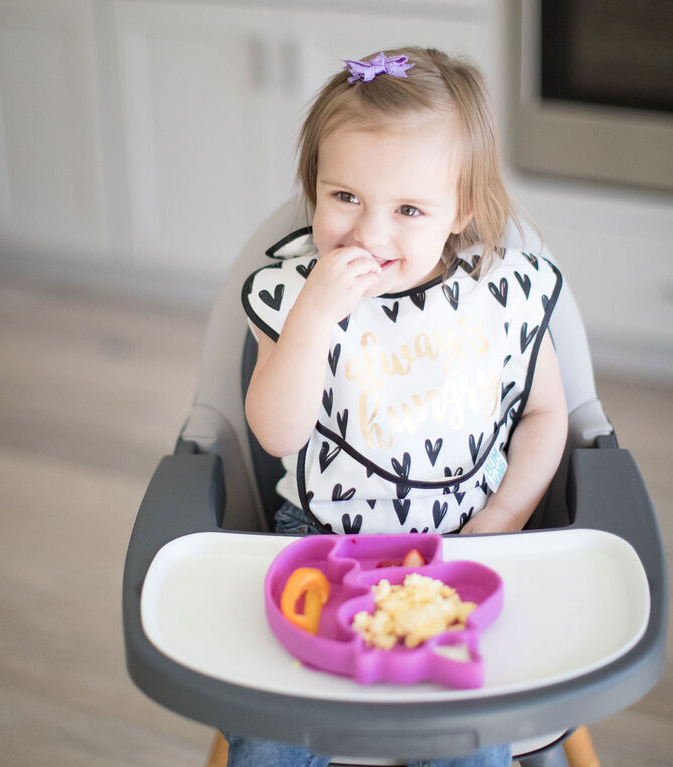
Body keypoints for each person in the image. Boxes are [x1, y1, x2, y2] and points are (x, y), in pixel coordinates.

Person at [234, 47, 568, 767]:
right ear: (313, 186)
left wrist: (501, 518)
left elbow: (547, 415)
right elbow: (275, 431)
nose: (368, 234)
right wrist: (315, 317)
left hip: (461, 551)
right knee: (265, 734)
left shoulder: (495, 294)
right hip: (322, 544)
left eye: (409, 209)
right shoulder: (298, 294)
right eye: (344, 196)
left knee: (468, 738)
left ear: (462, 211)